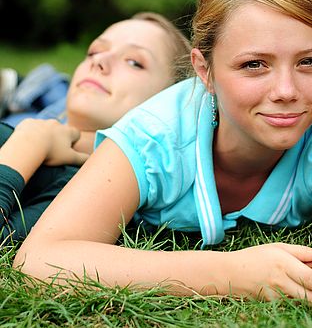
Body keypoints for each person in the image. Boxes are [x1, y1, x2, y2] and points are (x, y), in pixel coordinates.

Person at [14, 0, 312, 303]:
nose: (286, 91)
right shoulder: (155, 134)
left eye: (309, 62)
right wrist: (229, 272)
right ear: (205, 71)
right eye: (254, 65)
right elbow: (40, 260)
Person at [0, 12, 191, 241]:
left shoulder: (85, 188)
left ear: (170, 102)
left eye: (134, 62)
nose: (99, 61)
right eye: (94, 51)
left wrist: (28, 144)